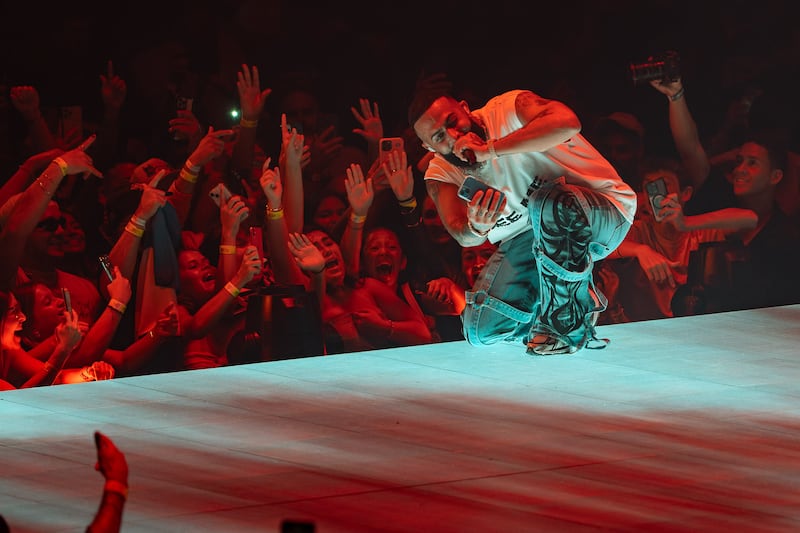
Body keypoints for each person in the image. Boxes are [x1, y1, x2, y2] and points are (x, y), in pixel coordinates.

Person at [408, 86, 637, 355]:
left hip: (604, 215)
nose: (454, 137)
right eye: (439, 136)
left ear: (465, 108)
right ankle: (576, 299)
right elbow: (461, 233)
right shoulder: (440, 173)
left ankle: (567, 327)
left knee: (546, 201)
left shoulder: (508, 109)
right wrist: (477, 227)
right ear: (428, 146)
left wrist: (491, 150)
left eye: (453, 122)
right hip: (534, 240)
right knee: (480, 329)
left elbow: (567, 122)